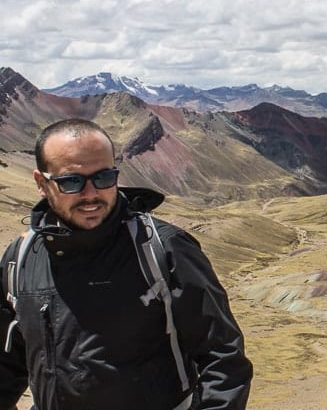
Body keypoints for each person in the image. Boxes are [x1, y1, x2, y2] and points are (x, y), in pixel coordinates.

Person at [0, 119, 253, 409]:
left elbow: (223, 360)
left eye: (104, 178)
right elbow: (8, 362)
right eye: (72, 181)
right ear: (41, 184)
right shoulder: (19, 260)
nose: (91, 194)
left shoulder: (164, 250)